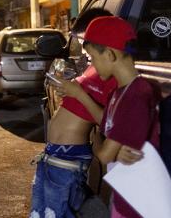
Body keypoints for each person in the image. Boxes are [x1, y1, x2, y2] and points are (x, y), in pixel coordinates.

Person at [57, 17, 161, 218]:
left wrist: (104, 146)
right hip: (125, 193)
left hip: (139, 202)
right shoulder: (119, 94)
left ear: (110, 54)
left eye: (93, 58)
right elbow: (106, 128)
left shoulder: (136, 95)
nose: (92, 65)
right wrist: (79, 95)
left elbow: (104, 154)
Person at [29, 8, 117, 218]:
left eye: (86, 40)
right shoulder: (94, 67)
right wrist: (69, 92)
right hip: (56, 156)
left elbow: (111, 122)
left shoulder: (110, 73)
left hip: (67, 158)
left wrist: (78, 93)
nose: (84, 48)